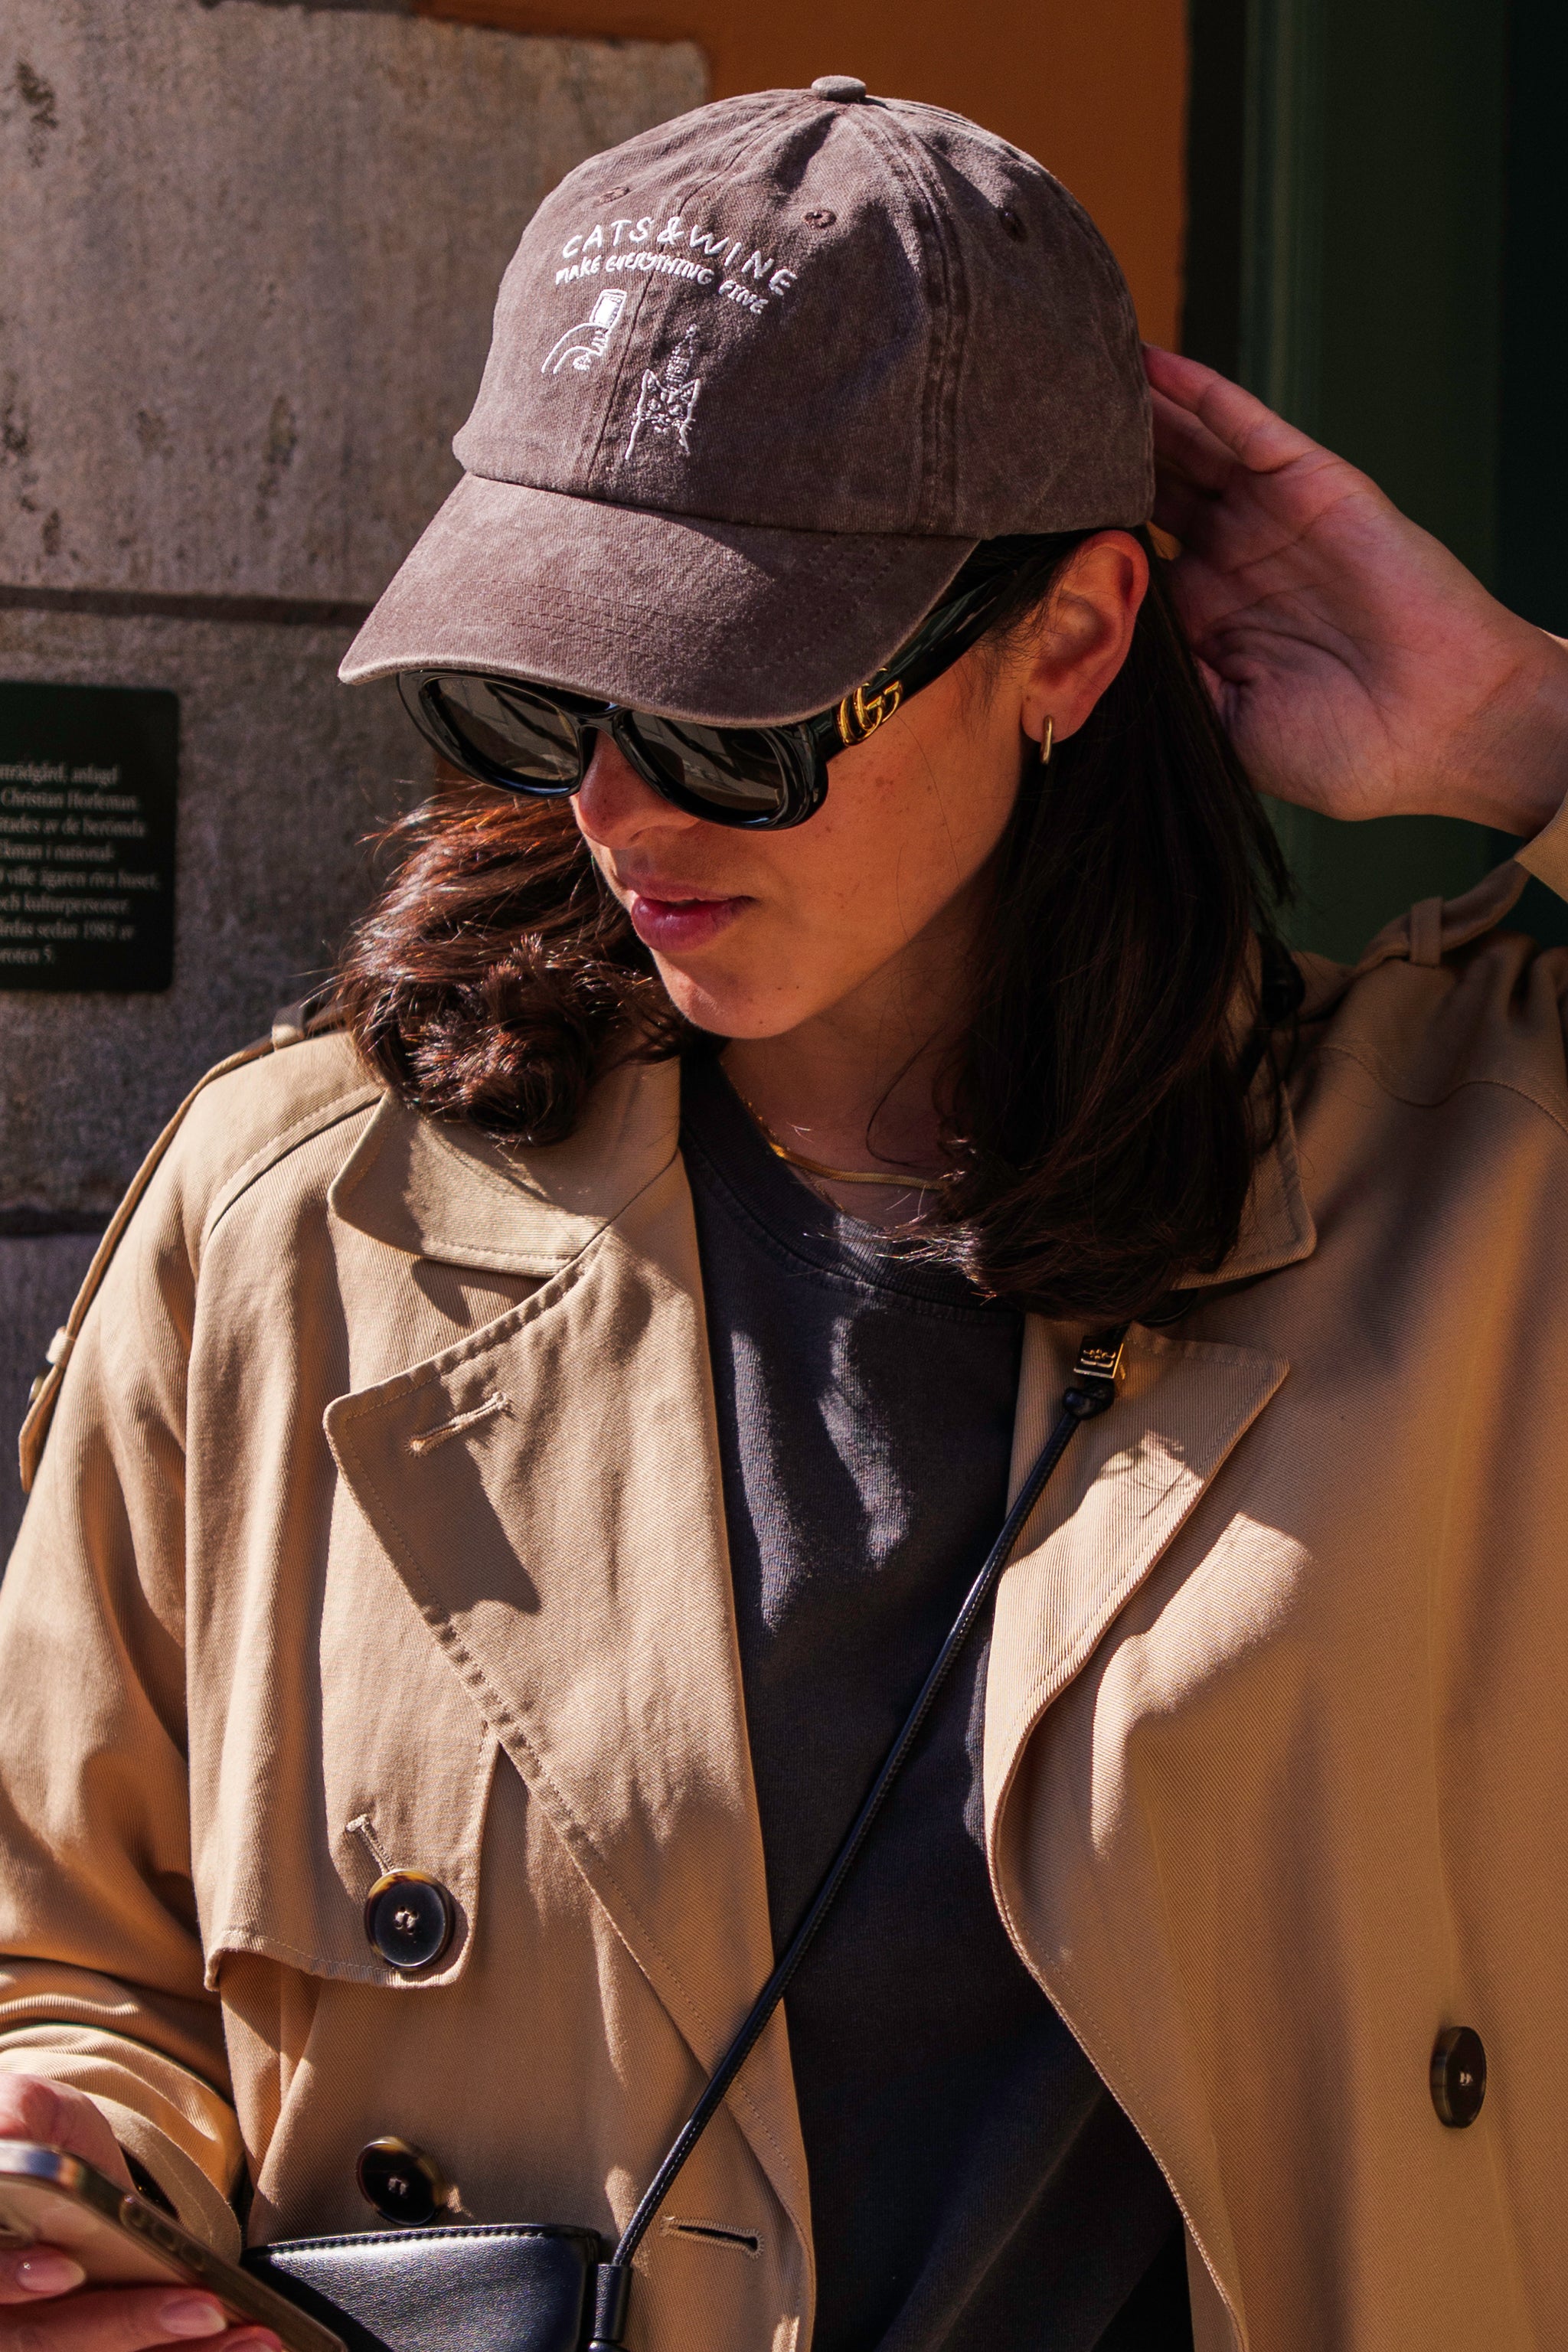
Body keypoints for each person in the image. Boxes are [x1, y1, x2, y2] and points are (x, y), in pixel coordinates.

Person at [0, 77, 1564, 2352]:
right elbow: (67, 1955)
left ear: (1070, 640)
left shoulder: (1467, 1183)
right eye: (548, 688)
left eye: (737, 711)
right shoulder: (299, 1223)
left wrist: (1516, 724)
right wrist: (62, 2179)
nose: (619, 803)